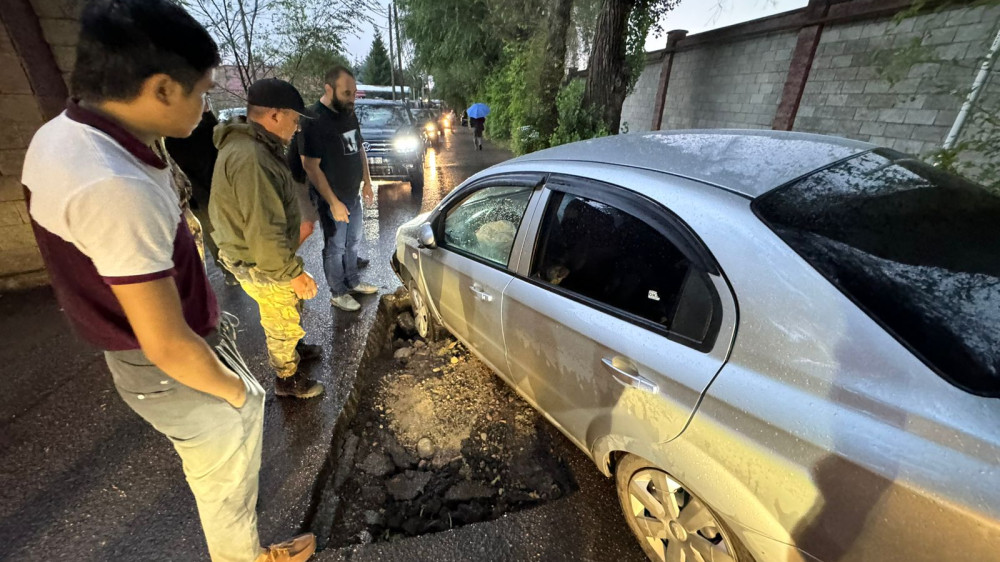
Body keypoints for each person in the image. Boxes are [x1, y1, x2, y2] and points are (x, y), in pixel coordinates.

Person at [19, 1, 315, 561]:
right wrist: (237, 396)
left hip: (152, 352)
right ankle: (245, 558)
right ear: (160, 89)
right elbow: (165, 341)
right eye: (202, 92)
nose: (207, 108)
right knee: (223, 481)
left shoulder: (62, 137)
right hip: (168, 365)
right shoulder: (113, 187)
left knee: (219, 473)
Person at [209, 78, 325, 399]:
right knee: (280, 312)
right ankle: (287, 379)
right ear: (274, 116)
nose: (297, 127)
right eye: (294, 118)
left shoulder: (254, 148)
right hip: (259, 258)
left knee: (289, 303)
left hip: (261, 252)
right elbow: (264, 231)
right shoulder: (253, 158)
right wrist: (292, 273)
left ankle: (294, 348)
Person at [299, 66, 377, 312]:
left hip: (353, 193)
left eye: (354, 93)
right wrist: (333, 202)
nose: (351, 99)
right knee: (335, 246)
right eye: (346, 93)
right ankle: (338, 291)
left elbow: (359, 148)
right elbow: (310, 166)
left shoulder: (348, 112)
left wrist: (367, 181)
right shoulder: (313, 119)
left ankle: (352, 281)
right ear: (328, 89)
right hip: (331, 197)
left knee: (353, 241)